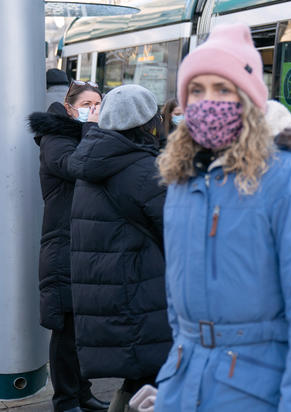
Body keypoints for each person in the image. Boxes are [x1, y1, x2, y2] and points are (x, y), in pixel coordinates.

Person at [154, 23, 291, 411]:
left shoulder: (290, 180)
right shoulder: (181, 177)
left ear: (248, 99)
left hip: (254, 388)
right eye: (197, 90)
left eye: (223, 89)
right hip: (183, 382)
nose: (208, 102)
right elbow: (175, 291)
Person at [67, 85, 172, 412]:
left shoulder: (94, 160)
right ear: (147, 123)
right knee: (154, 378)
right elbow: (175, 234)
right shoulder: (142, 169)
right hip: (140, 293)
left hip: (111, 294)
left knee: (139, 379)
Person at [28, 81, 108, 412]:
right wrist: (91, 127)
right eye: (88, 103)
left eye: (99, 103)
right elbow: (75, 166)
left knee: (83, 326)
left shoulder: (89, 136)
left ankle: (82, 392)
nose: (94, 108)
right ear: (69, 106)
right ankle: (65, 399)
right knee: (65, 328)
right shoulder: (56, 138)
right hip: (63, 243)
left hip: (85, 243)